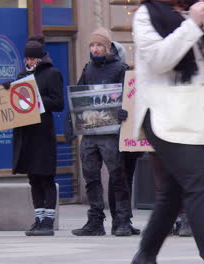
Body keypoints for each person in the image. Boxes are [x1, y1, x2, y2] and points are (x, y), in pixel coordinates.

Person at [131, 0, 204, 263]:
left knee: (173, 193)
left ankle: (145, 255)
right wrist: (191, 24)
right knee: (198, 185)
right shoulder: (148, 14)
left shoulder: (198, 14)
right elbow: (159, 60)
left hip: (197, 117)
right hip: (164, 116)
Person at [70, 27, 133, 237]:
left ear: (107, 47)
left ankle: (122, 220)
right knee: (91, 178)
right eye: (92, 45)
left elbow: (130, 96)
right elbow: (78, 95)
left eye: (99, 45)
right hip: (89, 133)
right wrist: (70, 122)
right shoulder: (88, 69)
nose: (95, 49)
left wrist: (125, 111)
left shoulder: (120, 68)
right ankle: (95, 220)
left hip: (110, 133)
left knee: (118, 177)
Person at [5, 36, 64, 236]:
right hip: (26, 134)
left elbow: (58, 103)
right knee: (33, 178)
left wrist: (35, 99)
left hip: (43, 134)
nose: (29, 62)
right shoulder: (22, 76)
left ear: (40, 58)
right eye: (27, 58)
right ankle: (38, 218)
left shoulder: (52, 74)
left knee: (46, 176)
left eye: (33, 59)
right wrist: (9, 89)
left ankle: (49, 219)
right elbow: (15, 101)